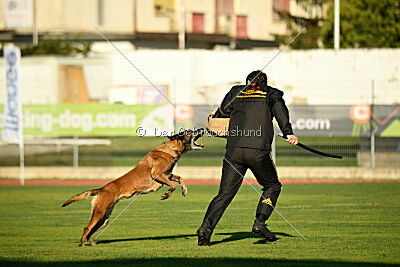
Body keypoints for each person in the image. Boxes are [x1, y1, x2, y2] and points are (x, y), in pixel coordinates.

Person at [197, 70, 298, 246]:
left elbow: (222, 112)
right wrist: (288, 133)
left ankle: (205, 229)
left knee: (224, 194)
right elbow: (280, 111)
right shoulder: (271, 93)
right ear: (264, 82)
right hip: (257, 151)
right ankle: (260, 222)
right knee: (272, 185)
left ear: (248, 81)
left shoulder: (236, 92)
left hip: (233, 151)